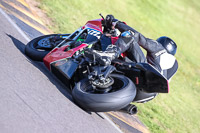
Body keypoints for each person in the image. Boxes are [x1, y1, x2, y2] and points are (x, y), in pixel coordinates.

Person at [86, 15, 178, 80]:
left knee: (129, 36)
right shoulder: (170, 68)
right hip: (147, 93)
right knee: (124, 59)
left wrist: (117, 23)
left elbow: (139, 37)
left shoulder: (159, 48)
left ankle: (109, 54)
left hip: (145, 74)